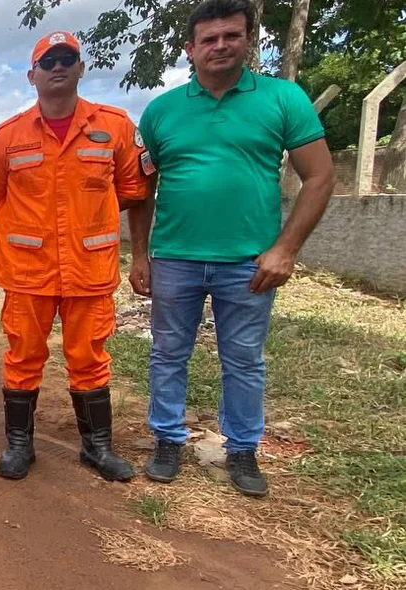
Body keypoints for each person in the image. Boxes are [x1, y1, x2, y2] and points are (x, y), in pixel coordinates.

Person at [131, 0, 334, 496]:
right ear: (190, 49)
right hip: (176, 258)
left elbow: (320, 175)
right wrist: (140, 255)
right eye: (209, 39)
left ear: (249, 40)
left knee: (243, 359)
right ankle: (167, 440)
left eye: (231, 36)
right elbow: (142, 191)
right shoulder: (161, 112)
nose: (220, 45)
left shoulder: (283, 99)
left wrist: (285, 249)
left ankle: (242, 449)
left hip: (249, 262)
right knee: (167, 354)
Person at [0, 32, 151, 482]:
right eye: (48, 60)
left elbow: (134, 192)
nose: (58, 66)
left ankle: (97, 447)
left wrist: (118, 240)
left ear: (80, 68)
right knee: (23, 355)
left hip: (89, 268)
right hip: (27, 271)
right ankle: (19, 445)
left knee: (90, 356)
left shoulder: (115, 127)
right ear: (32, 74)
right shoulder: (6, 137)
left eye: (67, 58)